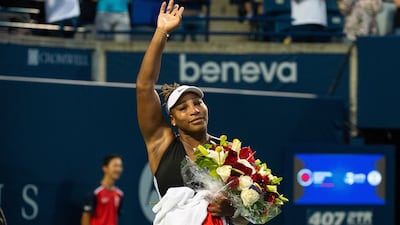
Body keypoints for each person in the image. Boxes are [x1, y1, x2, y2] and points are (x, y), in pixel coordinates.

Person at [136, 1, 248, 224]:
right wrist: (161, 32)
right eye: (183, 108)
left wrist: (234, 210)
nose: (194, 110)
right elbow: (144, 86)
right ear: (173, 119)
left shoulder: (228, 153)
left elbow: (248, 217)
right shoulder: (162, 145)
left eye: (198, 103)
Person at [81, 154, 124, 225]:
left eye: (120, 166)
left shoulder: (120, 194)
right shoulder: (95, 193)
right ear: (105, 168)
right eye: (115, 166)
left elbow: (115, 217)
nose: (118, 169)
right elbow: (86, 217)